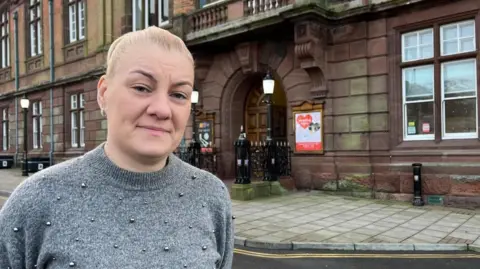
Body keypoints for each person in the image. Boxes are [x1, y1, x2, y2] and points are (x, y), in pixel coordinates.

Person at [0, 26, 234, 269]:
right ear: (103, 93)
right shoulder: (36, 200)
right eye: (142, 88)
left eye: (179, 95)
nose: (162, 110)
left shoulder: (211, 195)